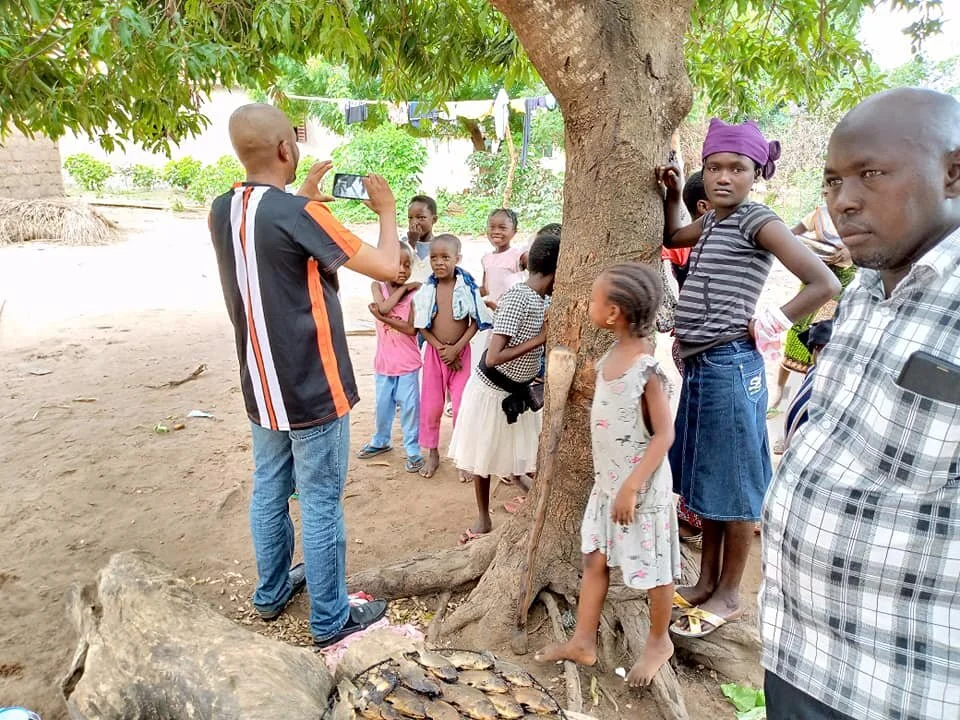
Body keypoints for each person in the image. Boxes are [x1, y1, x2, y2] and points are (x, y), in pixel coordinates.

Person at [760, 87, 960, 720]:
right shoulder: (864, 291)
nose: (843, 201)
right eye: (832, 181)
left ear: (954, 173)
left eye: (871, 174)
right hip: (798, 653)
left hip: (902, 683)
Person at [208, 104, 396, 647]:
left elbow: (274, 250)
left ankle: (270, 594)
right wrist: (384, 210)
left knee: (269, 488)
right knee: (319, 502)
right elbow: (389, 267)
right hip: (314, 384)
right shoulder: (297, 214)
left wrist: (306, 200)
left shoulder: (222, 209)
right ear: (287, 149)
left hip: (262, 384)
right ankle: (330, 619)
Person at [657, 118, 840, 639]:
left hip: (731, 365)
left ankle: (731, 594)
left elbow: (822, 281)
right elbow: (674, 235)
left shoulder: (758, 220)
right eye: (713, 167)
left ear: (755, 173)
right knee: (710, 479)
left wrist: (773, 321)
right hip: (702, 366)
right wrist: (674, 194)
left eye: (736, 169)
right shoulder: (715, 219)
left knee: (734, 486)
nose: (722, 177)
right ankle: (706, 581)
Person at [534, 263, 681, 687]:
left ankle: (658, 641)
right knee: (594, 560)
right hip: (607, 488)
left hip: (640, 492)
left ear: (614, 312)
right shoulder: (607, 361)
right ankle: (583, 640)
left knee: (655, 572)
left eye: (595, 300)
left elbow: (664, 434)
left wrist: (632, 487)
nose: (588, 305)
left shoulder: (645, 370)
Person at [449, 234, 560, 543]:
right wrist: (541, 338)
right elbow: (495, 356)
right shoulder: (519, 297)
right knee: (483, 454)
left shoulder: (542, 299)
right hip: (492, 391)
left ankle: (526, 490)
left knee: (515, 448)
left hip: (517, 390)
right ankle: (483, 517)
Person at [413, 234, 493, 478]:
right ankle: (433, 452)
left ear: (457, 259)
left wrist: (456, 348)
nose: (439, 262)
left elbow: (474, 322)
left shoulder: (466, 287)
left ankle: (462, 457)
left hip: (461, 354)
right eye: (434, 258)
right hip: (436, 355)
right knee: (431, 406)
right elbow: (422, 325)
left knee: (461, 406)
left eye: (445, 257)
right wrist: (442, 349)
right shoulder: (428, 290)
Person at [768, 203, 857, 416]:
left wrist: (852, 251)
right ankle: (781, 399)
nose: (830, 194)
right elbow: (789, 236)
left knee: (821, 344)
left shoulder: (863, 217)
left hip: (840, 286)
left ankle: (805, 406)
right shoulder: (818, 215)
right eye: (827, 188)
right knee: (795, 339)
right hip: (811, 285)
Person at [356, 242, 424, 473]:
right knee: (383, 405)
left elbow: (411, 329)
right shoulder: (378, 286)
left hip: (407, 364)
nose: (403, 270)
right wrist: (403, 290)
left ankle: (413, 449)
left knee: (409, 407)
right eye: (397, 264)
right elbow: (384, 308)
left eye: (407, 265)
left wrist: (385, 315)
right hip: (384, 363)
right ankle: (381, 440)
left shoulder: (415, 294)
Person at [670, 170, 710, 545]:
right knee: (698, 426)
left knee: (698, 424)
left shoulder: (694, 242)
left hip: (692, 342)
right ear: (704, 207)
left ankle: (694, 512)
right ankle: (694, 514)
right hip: (696, 345)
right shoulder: (700, 242)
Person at [480, 208, 528, 312]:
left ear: (514, 232)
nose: (496, 232)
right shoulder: (486, 258)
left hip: (511, 313)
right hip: (491, 312)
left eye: (502, 228)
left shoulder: (518, 255)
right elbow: (485, 289)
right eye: (492, 227)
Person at [407, 195, 438, 283]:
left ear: (434, 219)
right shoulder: (403, 243)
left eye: (421, 217)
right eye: (410, 218)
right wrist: (411, 242)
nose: (414, 222)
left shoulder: (440, 245)